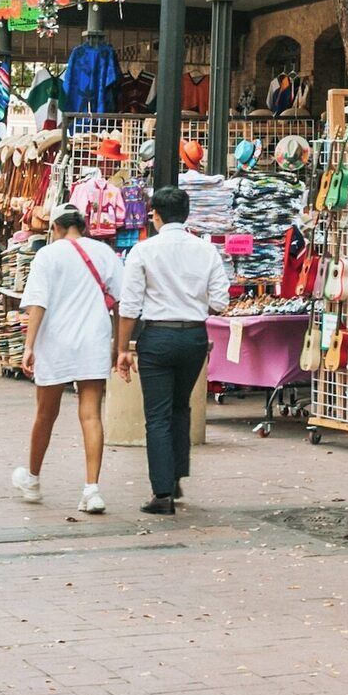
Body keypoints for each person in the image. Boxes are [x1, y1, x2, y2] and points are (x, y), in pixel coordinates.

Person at [112, 185, 229, 516]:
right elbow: (220, 302)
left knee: (158, 415)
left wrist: (122, 349)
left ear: (156, 216)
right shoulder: (206, 251)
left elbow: (130, 305)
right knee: (180, 407)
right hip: (194, 336)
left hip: (158, 338)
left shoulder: (143, 252)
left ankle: (162, 492)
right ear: (187, 214)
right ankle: (175, 475)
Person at [12, 205, 119, 513]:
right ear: (82, 227)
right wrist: (118, 343)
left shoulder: (48, 255)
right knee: (91, 414)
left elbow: (38, 304)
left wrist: (29, 345)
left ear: (56, 227)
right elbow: (121, 300)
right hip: (93, 340)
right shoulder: (104, 253)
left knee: (45, 414)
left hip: (55, 341)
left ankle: (32, 480)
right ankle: (92, 490)